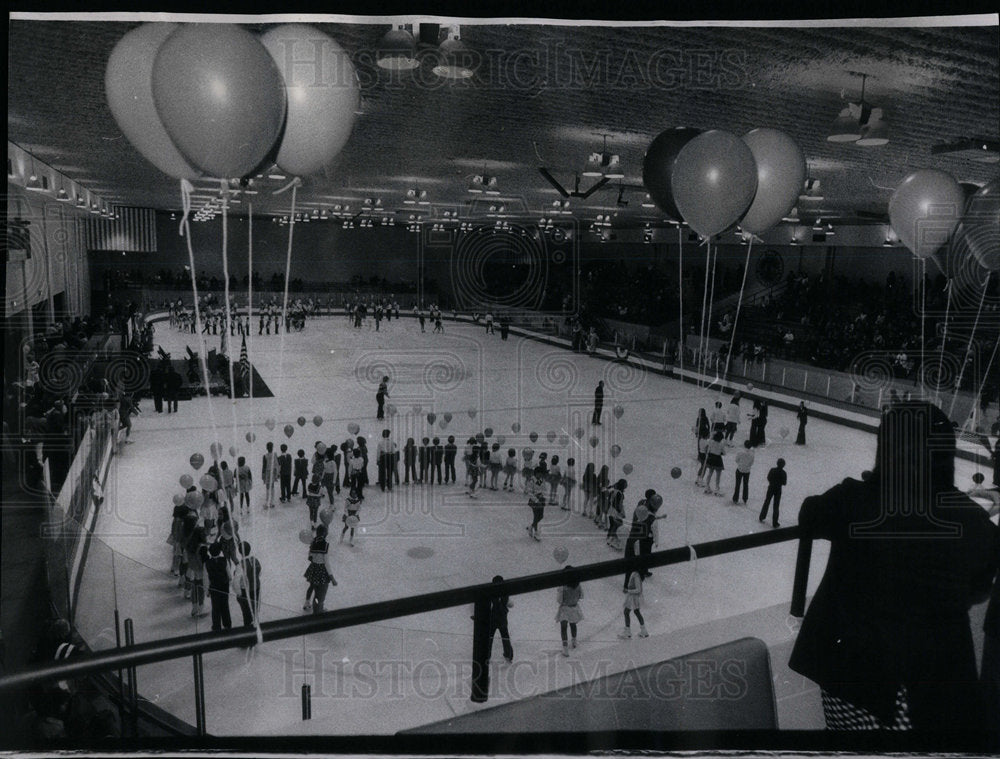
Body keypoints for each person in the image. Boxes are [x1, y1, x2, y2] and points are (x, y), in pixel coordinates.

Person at [789, 402, 997, 731]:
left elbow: (809, 516)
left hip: (849, 676)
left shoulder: (854, 499)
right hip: (933, 687)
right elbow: (980, 585)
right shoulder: (972, 520)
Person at [303, 525, 337, 613]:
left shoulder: (313, 542)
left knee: (312, 586)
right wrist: (332, 577)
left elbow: (309, 557)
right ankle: (319, 609)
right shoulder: (325, 545)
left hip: (313, 569)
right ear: (325, 533)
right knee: (320, 593)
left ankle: (308, 603)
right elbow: (326, 563)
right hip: (321, 572)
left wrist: (315, 558)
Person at [202, 542, 232, 631]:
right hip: (224, 587)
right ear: (219, 552)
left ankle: (216, 626)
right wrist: (228, 585)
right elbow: (229, 576)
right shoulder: (225, 560)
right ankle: (227, 624)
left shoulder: (207, 563)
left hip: (214, 588)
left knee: (215, 608)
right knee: (225, 606)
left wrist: (207, 591)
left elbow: (206, 579)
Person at [555, 567, 583, 656]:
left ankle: (565, 648)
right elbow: (581, 596)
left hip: (565, 609)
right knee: (573, 624)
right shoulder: (578, 585)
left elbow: (559, 600)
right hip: (574, 607)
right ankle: (574, 641)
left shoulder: (563, 587)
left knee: (563, 628)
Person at [489, 575, 514, 663]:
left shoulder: (490, 593)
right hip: (502, 619)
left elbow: (489, 606)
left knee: (489, 638)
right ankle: (508, 655)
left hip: (492, 619)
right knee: (505, 637)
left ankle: (486, 656)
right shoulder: (505, 593)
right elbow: (511, 604)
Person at [619, 566, 649, 639]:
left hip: (633, 597)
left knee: (627, 612)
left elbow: (638, 589)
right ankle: (643, 631)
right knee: (636, 612)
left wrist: (628, 591)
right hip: (633, 597)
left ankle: (628, 632)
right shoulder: (635, 574)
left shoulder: (636, 575)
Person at [758, 458, 786, 528]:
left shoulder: (772, 470)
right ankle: (775, 522)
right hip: (778, 489)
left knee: (767, 501)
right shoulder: (783, 473)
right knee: (776, 506)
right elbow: (784, 483)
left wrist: (772, 482)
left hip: (771, 487)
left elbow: (768, 477)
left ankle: (762, 516)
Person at [526, 466, 547, 539]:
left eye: (541, 474)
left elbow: (544, 489)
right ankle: (536, 532)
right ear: (536, 473)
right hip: (534, 500)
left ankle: (531, 526)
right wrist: (536, 500)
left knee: (541, 516)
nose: (540, 475)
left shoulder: (542, 480)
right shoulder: (531, 481)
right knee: (536, 516)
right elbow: (529, 492)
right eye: (539, 474)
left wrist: (543, 496)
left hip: (541, 499)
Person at [732, 440, 755, 505]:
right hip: (747, 470)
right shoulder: (752, 454)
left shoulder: (740, 452)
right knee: (746, 484)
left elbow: (736, 460)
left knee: (737, 484)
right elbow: (751, 463)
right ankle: (745, 498)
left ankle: (735, 498)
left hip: (740, 469)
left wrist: (740, 464)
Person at [703, 431, 726, 496]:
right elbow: (724, 453)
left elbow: (707, 448)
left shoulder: (711, 442)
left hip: (711, 458)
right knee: (718, 475)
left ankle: (707, 486)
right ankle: (717, 488)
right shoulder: (721, 444)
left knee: (710, 473)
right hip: (718, 459)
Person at [261, 442, 278, 509]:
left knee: (267, 487)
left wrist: (262, 474)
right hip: (273, 471)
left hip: (267, 472)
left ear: (267, 448)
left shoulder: (265, 456)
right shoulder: (275, 454)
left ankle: (267, 502)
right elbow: (276, 464)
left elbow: (264, 466)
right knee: (272, 486)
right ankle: (272, 502)